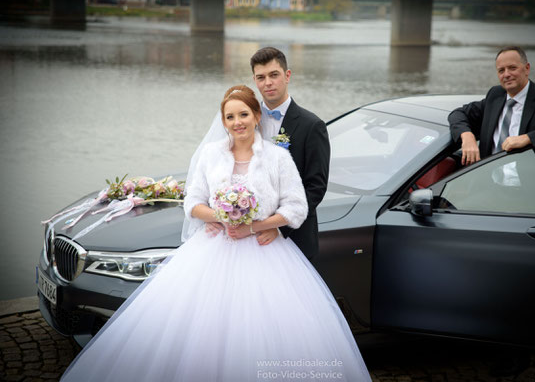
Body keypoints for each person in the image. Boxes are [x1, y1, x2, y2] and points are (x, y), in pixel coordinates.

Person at [60, 85, 371, 382]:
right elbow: (193, 201)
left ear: (257, 116)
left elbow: (296, 208)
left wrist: (257, 226)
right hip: (212, 250)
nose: (237, 123)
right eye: (230, 117)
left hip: (266, 255)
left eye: (244, 115)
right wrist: (220, 216)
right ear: (223, 121)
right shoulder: (211, 155)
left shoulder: (277, 158)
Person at [205, 47, 330, 261]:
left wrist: (278, 227)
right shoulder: (244, 120)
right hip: (240, 237)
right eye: (261, 77)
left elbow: (315, 187)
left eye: (274, 75)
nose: (268, 83)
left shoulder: (312, 126)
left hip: (291, 237)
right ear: (254, 79)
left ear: (287, 75)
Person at [448, 46, 535, 166]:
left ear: (527, 68)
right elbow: (457, 114)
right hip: (489, 183)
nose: (506, 74)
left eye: (512, 68)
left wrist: (528, 138)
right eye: (501, 70)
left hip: (530, 188)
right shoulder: (495, 95)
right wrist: (467, 137)